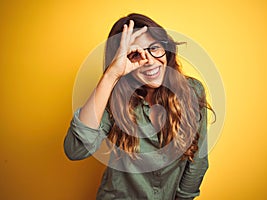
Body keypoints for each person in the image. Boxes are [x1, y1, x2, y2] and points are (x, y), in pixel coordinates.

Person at [64, 13, 210, 200]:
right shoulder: (113, 98)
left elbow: (197, 161)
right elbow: (75, 150)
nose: (149, 60)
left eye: (154, 48)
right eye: (136, 54)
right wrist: (111, 76)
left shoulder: (192, 90)